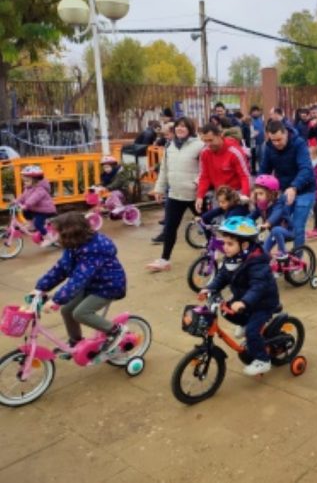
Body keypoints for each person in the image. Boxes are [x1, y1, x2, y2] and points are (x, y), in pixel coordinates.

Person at [33, 212, 127, 354]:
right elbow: (61, 268)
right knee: (67, 311)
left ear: (69, 233)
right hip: (90, 285)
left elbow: (79, 278)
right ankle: (76, 342)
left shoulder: (94, 249)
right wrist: (40, 288)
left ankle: (115, 330)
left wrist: (57, 300)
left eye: (57, 232)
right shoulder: (74, 245)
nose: (55, 236)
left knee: (81, 313)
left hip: (108, 286)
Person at [200, 217, 279, 376]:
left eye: (230, 244)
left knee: (251, 332)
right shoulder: (233, 258)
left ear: (244, 245)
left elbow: (258, 287)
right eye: (224, 243)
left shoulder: (257, 262)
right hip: (244, 299)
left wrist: (244, 302)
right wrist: (209, 288)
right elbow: (222, 276)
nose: (225, 247)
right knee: (224, 309)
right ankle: (245, 323)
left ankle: (263, 360)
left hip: (263, 303)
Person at [147, 117, 205, 272]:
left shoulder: (199, 146)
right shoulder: (170, 146)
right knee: (170, 227)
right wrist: (159, 188)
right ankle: (164, 259)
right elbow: (164, 170)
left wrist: (197, 183)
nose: (180, 129)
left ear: (190, 129)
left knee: (207, 225)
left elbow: (205, 169)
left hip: (195, 195)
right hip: (175, 194)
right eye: (178, 126)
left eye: (184, 127)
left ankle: (214, 253)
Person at [260, 120, 316, 251]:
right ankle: (263, 256)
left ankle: (297, 259)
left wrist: (294, 187)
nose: (276, 143)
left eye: (279, 139)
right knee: (276, 224)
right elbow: (264, 171)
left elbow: (306, 169)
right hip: (283, 190)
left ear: (286, 133)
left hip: (305, 190)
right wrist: (258, 189)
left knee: (297, 225)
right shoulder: (268, 147)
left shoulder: (299, 143)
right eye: (273, 140)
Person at [194, 124, 251, 215]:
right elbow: (204, 176)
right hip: (219, 193)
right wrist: (200, 196)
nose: (208, 144)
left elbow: (244, 176)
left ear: (219, 136)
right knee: (217, 223)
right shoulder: (204, 153)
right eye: (205, 141)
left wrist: (244, 196)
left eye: (211, 140)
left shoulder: (234, 151)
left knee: (234, 223)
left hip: (236, 193)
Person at [15, 165, 57, 246]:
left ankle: (49, 238)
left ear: (35, 181)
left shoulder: (40, 189)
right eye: (24, 181)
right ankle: (31, 224)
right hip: (36, 209)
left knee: (38, 223)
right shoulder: (28, 188)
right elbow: (23, 197)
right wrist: (16, 202)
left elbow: (34, 199)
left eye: (27, 181)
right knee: (25, 212)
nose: (25, 183)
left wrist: (25, 205)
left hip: (45, 210)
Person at [249, 105, 265, 175]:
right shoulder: (250, 120)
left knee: (261, 156)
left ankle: (261, 170)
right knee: (254, 156)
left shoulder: (261, 120)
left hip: (261, 141)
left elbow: (263, 129)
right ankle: (253, 170)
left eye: (256, 111)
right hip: (253, 142)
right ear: (251, 112)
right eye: (254, 111)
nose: (255, 113)